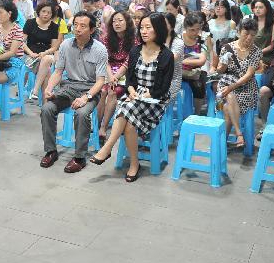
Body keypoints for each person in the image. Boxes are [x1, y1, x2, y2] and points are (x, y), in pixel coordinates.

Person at [90, 13, 175, 181]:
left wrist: (143, 95)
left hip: (155, 101)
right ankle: (134, 164)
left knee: (126, 109)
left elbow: (163, 88)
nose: (143, 31)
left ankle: (107, 148)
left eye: (148, 27)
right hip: (135, 98)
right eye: (141, 27)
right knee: (129, 124)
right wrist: (131, 90)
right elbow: (130, 79)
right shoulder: (136, 51)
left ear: (158, 29)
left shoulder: (166, 55)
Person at [39, 12, 107, 173]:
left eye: (83, 26)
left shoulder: (100, 49)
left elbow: (100, 81)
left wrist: (86, 97)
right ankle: (51, 151)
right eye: (75, 24)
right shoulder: (65, 45)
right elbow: (58, 72)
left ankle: (79, 157)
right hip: (69, 87)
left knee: (82, 114)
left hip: (90, 89)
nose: (77, 29)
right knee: (47, 109)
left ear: (91, 30)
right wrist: (49, 88)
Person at [214, 18, 260, 147]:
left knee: (228, 103)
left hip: (246, 88)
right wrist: (224, 62)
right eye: (246, 34)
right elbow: (220, 71)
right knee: (227, 95)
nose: (249, 38)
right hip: (225, 83)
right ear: (238, 32)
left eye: (253, 34)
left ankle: (221, 144)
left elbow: (249, 75)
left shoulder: (256, 51)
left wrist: (231, 87)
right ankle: (239, 134)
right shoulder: (227, 48)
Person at [97, 11, 135, 143]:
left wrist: (116, 77)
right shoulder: (106, 38)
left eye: (120, 20)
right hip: (109, 71)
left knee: (112, 92)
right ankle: (97, 123)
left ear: (127, 22)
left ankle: (103, 127)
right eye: (114, 21)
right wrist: (111, 76)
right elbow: (105, 60)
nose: (117, 24)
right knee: (102, 91)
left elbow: (128, 62)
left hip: (126, 73)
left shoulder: (134, 39)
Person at [23, 0, 61, 101]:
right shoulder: (30, 23)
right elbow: (21, 42)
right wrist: (31, 53)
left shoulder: (54, 26)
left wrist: (44, 53)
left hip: (46, 54)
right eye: (44, 11)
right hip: (30, 55)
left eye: (49, 12)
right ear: (39, 11)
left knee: (47, 59)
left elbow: (54, 47)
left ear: (52, 14)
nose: (46, 14)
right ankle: (45, 105)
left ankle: (35, 91)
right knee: (47, 72)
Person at [0, 0, 25, 85]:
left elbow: (12, 53)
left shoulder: (17, 30)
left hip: (12, 62)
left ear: (9, 13)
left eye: (0, 13)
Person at [180, 13, 209, 112]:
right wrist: (193, 60)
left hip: (196, 73)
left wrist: (183, 60)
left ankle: (196, 113)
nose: (195, 32)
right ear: (185, 28)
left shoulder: (202, 40)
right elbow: (173, 59)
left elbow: (202, 61)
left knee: (199, 86)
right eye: (192, 30)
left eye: (197, 29)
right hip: (179, 72)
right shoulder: (178, 39)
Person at [251, 0, 274, 69]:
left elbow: (271, 46)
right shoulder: (251, 22)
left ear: (267, 9)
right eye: (256, 7)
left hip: (265, 57)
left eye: (261, 7)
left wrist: (256, 53)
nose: (257, 9)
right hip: (250, 54)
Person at [208, 0, 237, 69]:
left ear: (226, 9)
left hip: (224, 52)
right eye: (217, 6)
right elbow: (207, 40)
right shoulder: (210, 22)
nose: (218, 8)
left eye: (221, 7)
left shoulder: (231, 23)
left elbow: (231, 41)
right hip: (210, 51)